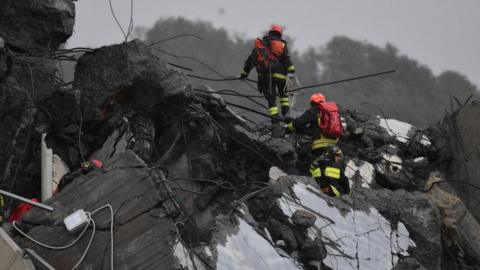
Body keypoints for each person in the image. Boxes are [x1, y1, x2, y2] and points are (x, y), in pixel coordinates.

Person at [286, 92, 350, 197]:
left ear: (312, 103)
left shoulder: (315, 110)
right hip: (335, 146)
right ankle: (341, 192)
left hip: (320, 146)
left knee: (316, 167)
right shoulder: (333, 112)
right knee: (336, 168)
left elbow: (299, 122)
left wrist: (287, 128)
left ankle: (321, 189)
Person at [240, 24, 296, 123]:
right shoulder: (282, 45)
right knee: (284, 98)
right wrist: (292, 71)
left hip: (266, 77)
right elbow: (286, 59)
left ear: (270, 32)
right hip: (281, 77)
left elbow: (250, 61)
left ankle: (275, 123)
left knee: (272, 100)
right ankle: (287, 119)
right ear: (280, 34)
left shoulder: (261, 45)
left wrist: (244, 74)